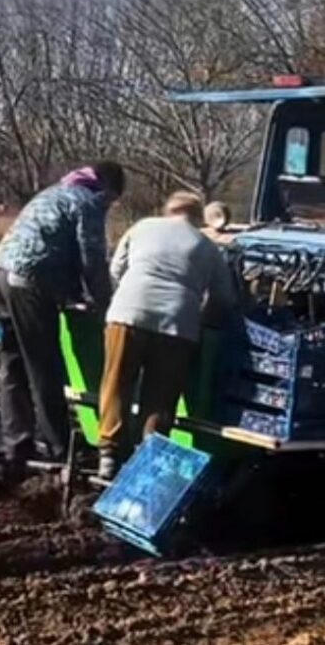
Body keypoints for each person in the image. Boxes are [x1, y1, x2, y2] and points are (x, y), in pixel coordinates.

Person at [0, 161, 125, 478]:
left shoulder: (54, 193)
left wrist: (69, 294)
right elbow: (91, 258)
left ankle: (17, 442)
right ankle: (57, 448)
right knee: (45, 366)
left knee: (12, 364)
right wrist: (105, 304)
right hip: (29, 281)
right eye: (113, 200)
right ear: (107, 189)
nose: (108, 206)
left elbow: (52, 244)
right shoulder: (89, 202)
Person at [97, 191, 236, 480]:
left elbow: (115, 270)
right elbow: (223, 298)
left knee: (116, 384)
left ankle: (108, 456)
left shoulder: (142, 227)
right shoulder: (207, 246)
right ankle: (147, 462)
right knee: (160, 398)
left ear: (167, 211)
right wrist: (204, 320)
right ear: (198, 218)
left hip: (128, 314)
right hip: (178, 325)